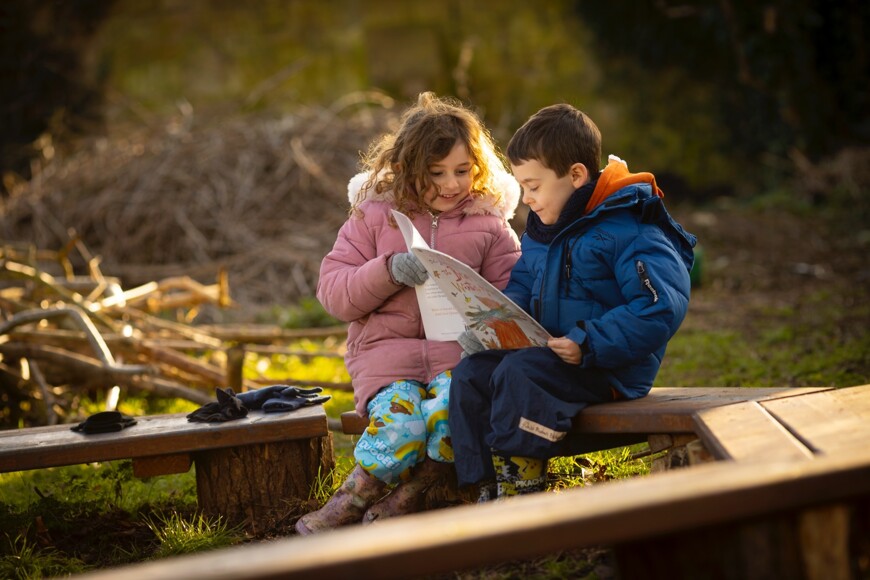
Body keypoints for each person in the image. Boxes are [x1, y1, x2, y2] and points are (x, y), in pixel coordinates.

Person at [295, 92, 522, 534]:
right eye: (436, 173)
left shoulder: (490, 224)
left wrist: (487, 334)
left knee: (452, 417)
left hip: (459, 358)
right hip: (386, 359)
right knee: (400, 425)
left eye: (463, 171)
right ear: (405, 170)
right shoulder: (374, 216)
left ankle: (412, 493)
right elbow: (334, 293)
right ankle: (351, 499)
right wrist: (387, 271)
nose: (451, 184)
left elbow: (512, 297)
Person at [448, 103, 697, 501]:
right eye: (522, 187)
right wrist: (495, 324)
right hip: (553, 355)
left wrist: (589, 342)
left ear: (576, 176)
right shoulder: (543, 231)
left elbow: (660, 306)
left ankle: (522, 483)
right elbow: (521, 286)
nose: (526, 199)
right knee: (471, 373)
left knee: (520, 373)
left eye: (534, 186)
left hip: (607, 365)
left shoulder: (629, 227)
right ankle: (480, 485)